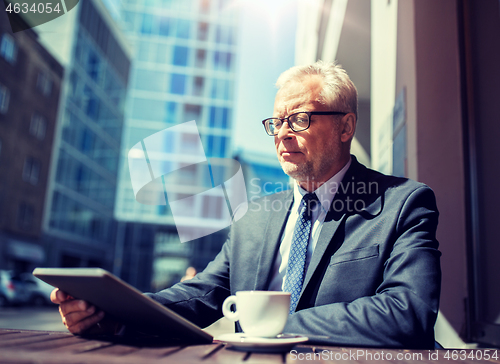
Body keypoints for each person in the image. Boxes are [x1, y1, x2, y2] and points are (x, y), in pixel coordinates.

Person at [51, 61, 441, 349]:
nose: (284, 133)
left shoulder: (403, 203)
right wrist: (113, 312)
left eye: (300, 119)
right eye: (276, 122)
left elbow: (407, 312)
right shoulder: (254, 217)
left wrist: (272, 324)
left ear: (345, 127)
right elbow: (203, 295)